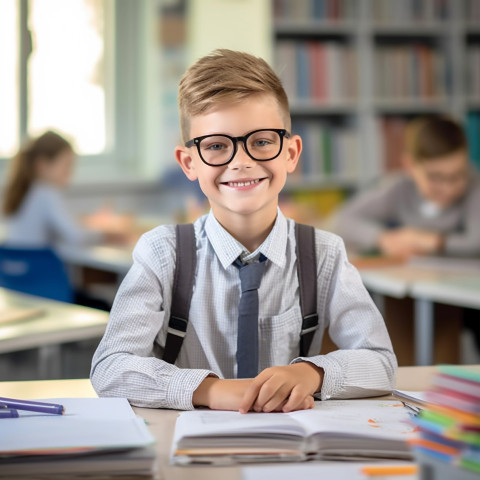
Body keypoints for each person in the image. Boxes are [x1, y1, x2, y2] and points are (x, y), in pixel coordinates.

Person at [91, 49, 396, 413]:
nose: (241, 161)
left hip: (291, 439)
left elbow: (381, 361)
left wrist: (312, 373)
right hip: (189, 443)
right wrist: (212, 390)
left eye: (262, 141)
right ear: (189, 163)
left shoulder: (324, 253)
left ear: (291, 153)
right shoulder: (162, 253)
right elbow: (110, 367)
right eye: (217, 146)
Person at [334, 116, 480, 258]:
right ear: (409, 166)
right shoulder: (400, 190)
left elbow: (476, 243)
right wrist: (385, 238)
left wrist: (423, 240)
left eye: (459, 174)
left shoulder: (475, 187)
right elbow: (343, 220)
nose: (449, 188)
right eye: (435, 177)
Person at [2, 131, 104, 248]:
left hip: (15, 265)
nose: (70, 173)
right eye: (66, 165)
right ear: (42, 165)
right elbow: (76, 235)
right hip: (40, 264)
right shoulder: (46, 193)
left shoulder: (22, 191)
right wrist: (106, 235)